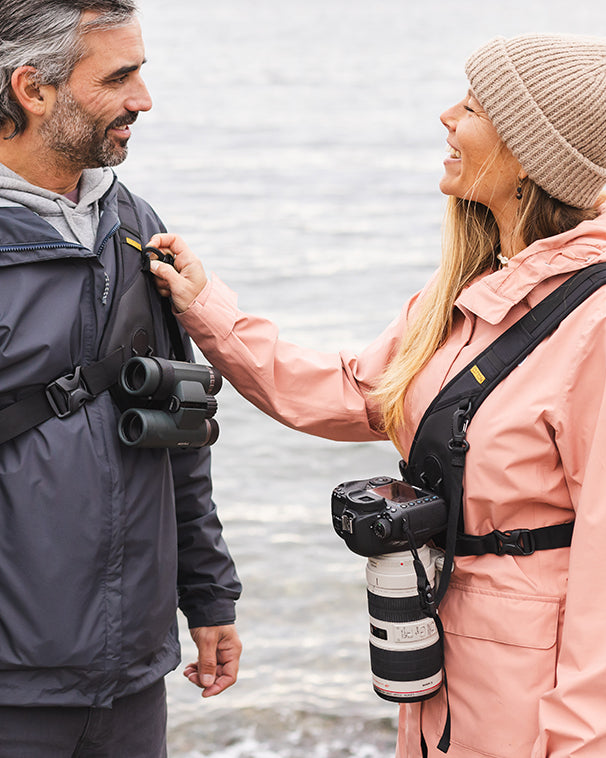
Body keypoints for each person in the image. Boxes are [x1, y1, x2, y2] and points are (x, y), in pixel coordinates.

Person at [150, 34, 606, 758]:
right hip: (444, 674)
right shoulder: (470, 298)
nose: (446, 118)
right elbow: (348, 392)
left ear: (528, 152)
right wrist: (205, 308)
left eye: (470, 107)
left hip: (542, 712)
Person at [0, 2, 242, 756]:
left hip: (132, 679)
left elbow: (181, 423)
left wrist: (208, 596)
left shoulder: (133, 223)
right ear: (32, 89)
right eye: (119, 77)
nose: (143, 99)